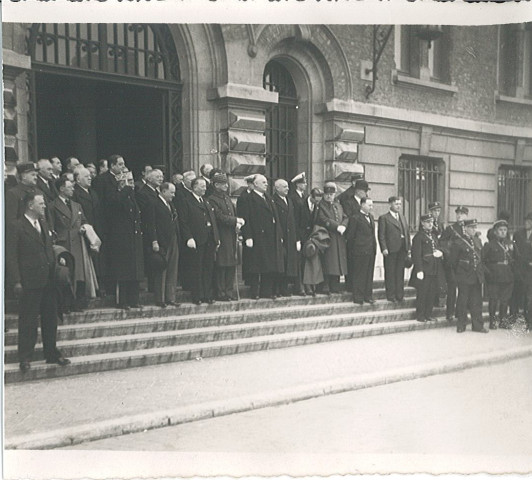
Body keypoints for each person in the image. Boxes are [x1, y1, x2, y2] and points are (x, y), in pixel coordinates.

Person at [6, 192, 70, 372]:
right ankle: (25, 357)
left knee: (51, 319)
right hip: (29, 281)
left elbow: (48, 248)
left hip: (48, 280)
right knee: (28, 320)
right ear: (30, 205)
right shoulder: (16, 226)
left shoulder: (43, 224)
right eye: (41, 203)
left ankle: (52, 353)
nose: (44, 206)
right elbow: (11, 257)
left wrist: (57, 261)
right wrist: (16, 281)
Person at [51, 177, 99, 311]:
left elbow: (84, 220)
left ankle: (77, 303)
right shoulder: (53, 205)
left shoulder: (77, 205)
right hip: (64, 244)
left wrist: (84, 227)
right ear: (61, 188)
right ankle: (65, 304)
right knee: (66, 274)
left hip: (78, 243)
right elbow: (51, 227)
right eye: (70, 187)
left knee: (78, 275)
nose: (73, 189)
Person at [240, 174, 284, 299]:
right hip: (257, 236)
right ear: (255, 184)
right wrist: (248, 236)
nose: (266, 184)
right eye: (263, 182)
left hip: (270, 237)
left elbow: (275, 218)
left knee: (269, 265)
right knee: (256, 266)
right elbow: (246, 218)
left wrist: (278, 235)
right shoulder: (248, 198)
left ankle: (267, 291)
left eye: (266, 182)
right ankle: (255, 292)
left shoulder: (268, 198)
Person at [107, 171, 144, 310]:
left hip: (133, 238)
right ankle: (122, 301)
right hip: (121, 239)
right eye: (128, 180)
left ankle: (134, 300)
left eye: (132, 180)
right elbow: (116, 203)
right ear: (121, 182)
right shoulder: (115, 196)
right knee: (123, 272)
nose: (132, 184)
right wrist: (126, 189)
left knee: (135, 270)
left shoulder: (132, 196)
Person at [179, 177, 220, 305]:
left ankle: (207, 294)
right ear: (194, 187)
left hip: (209, 240)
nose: (204, 188)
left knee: (208, 268)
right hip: (197, 240)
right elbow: (184, 222)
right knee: (197, 268)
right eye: (202, 186)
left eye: (205, 186)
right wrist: (189, 237)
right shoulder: (186, 201)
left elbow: (213, 221)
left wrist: (216, 237)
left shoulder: (206, 202)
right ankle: (197, 295)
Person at [209, 173, 244, 301]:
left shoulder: (227, 198)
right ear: (216, 185)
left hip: (231, 234)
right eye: (223, 183)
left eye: (226, 183)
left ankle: (229, 291)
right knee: (221, 264)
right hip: (221, 235)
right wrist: (235, 220)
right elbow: (219, 217)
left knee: (231, 264)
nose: (226, 185)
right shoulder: (212, 199)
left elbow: (233, 212)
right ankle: (220, 292)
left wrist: (237, 225)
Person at [450, 218, 487, 333]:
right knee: (463, 301)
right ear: (465, 228)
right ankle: (461, 324)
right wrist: (458, 276)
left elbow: (481, 258)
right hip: (464, 276)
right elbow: (453, 262)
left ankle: (478, 325)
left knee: (477, 301)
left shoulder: (477, 241)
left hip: (476, 276)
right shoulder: (458, 242)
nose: (474, 229)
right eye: (471, 227)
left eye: (475, 227)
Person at [73, 166, 104, 295]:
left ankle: (98, 287)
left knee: (98, 260)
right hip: (85, 231)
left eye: (90, 176)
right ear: (78, 179)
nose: (90, 178)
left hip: (96, 230)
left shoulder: (93, 192)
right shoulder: (75, 193)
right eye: (86, 176)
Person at [152, 182, 181, 307]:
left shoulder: (171, 205)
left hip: (173, 239)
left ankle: (171, 297)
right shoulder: (154, 203)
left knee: (172, 269)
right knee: (161, 269)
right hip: (162, 241)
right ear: (163, 192)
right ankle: (160, 298)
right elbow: (151, 223)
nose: (173, 195)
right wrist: (154, 241)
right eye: (171, 192)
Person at [410, 213, 444, 323]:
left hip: (434, 268)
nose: (431, 224)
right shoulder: (418, 237)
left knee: (431, 293)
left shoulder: (433, 236)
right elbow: (416, 255)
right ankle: (420, 315)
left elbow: (437, 248)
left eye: (432, 222)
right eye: (428, 222)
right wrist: (419, 270)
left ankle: (428, 314)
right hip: (424, 269)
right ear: (422, 223)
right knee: (422, 293)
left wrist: (440, 253)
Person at [482, 219, 514, 330]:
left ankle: (503, 321)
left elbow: (514, 259)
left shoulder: (509, 244)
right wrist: (488, 274)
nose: (503, 232)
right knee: (493, 300)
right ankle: (492, 322)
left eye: (505, 230)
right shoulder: (489, 245)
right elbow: (483, 261)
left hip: (507, 276)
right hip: (494, 276)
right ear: (495, 231)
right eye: (500, 230)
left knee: (505, 300)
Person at [316, 182, 348, 294]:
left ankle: (335, 286)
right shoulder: (321, 205)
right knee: (328, 262)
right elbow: (323, 219)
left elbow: (345, 217)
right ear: (324, 194)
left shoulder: (338, 205)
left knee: (337, 263)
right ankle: (326, 287)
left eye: (332, 194)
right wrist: (336, 226)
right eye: (327, 194)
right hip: (327, 237)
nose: (329, 196)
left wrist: (344, 225)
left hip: (339, 237)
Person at [378, 196, 411, 303]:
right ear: (390, 204)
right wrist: (384, 248)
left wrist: (408, 248)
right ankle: (391, 295)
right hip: (391, 249)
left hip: (402, 249)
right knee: (390, 272)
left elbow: (407, 233)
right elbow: (381, 235)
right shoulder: (384, 218)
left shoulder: (402, 217)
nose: (398, 206)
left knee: (400, 272)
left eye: (400, 204)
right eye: (396, 204)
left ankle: (399, 295)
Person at [136, 169, 164, 295]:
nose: (161, 179)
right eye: (157, 176)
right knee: (152, 260)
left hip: (160, 231)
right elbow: (147, 216)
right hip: (149, 233)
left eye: (161, 176)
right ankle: (151, 287)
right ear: (149, 179)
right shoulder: (143, 193)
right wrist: (153, 238)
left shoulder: (158, 192)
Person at [440, 205, 469, 320]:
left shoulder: (469, 229)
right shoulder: (450, 229)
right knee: (452, 288)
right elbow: (442, 242)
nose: (459, 215)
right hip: (452, 263)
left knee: (464, 290)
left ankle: (460, 312)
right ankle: (450, 313)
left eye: (461, 213)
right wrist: (448, 255)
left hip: (464, 264)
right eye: (457, 213)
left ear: (466, 215)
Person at [346, 197, 377, 305]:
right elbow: (351, 236)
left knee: (369, 274)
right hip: (359, 251)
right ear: (362, 205)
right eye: (369, 205)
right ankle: (358, 297)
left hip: (370, 250)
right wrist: (353, 250)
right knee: (359, 274)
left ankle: (368, 296)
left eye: (372, 205)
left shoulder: (371, 217)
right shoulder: (355, 218)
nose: (371, 207)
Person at [273, 179, 300, 296]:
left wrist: (297, 238)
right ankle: (277, 289)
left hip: (290, 237)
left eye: (287, 186)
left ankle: (284, 288)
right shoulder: (273, 200)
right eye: (284, 187)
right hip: (281, 236)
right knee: (280, 263)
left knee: (288, 263)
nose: (287, 189)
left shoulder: (289, 200)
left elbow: (294, 221)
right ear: (277, 188)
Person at [5, 162, 42, 227]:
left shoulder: (39, 193)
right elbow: (11, 220)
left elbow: (46, 216)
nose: (36, 177)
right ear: (24, 176)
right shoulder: (13, 193)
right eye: (33, 175)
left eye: (36, 175)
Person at [512, 212, 532, 332]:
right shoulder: (518, 234)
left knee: (530, 298)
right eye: (526, 221)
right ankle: (516, 318)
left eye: (529, 221)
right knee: (519, 295)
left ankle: (529, 322)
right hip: (520, 271)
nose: (527, 223)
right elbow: (515, 252)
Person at [289, 172, 308, 296]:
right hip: (297, 233)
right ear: (298, 184)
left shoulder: (302, 197)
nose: (305, 185)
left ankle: (303, 284)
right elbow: (294, 219)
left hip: (304, 233)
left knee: (302, 260)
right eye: (303, 183)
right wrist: (296, 238)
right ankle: (298, 286)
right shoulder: (294, 198)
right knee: (297, 260)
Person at [237, 174, 257, 288]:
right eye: (252, 183)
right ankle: (248, 278)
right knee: (249, 257)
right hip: (248, 230)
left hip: (257, 231)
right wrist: (246, 234)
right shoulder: (243, 197)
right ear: (249, 184)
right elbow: (244, 216)